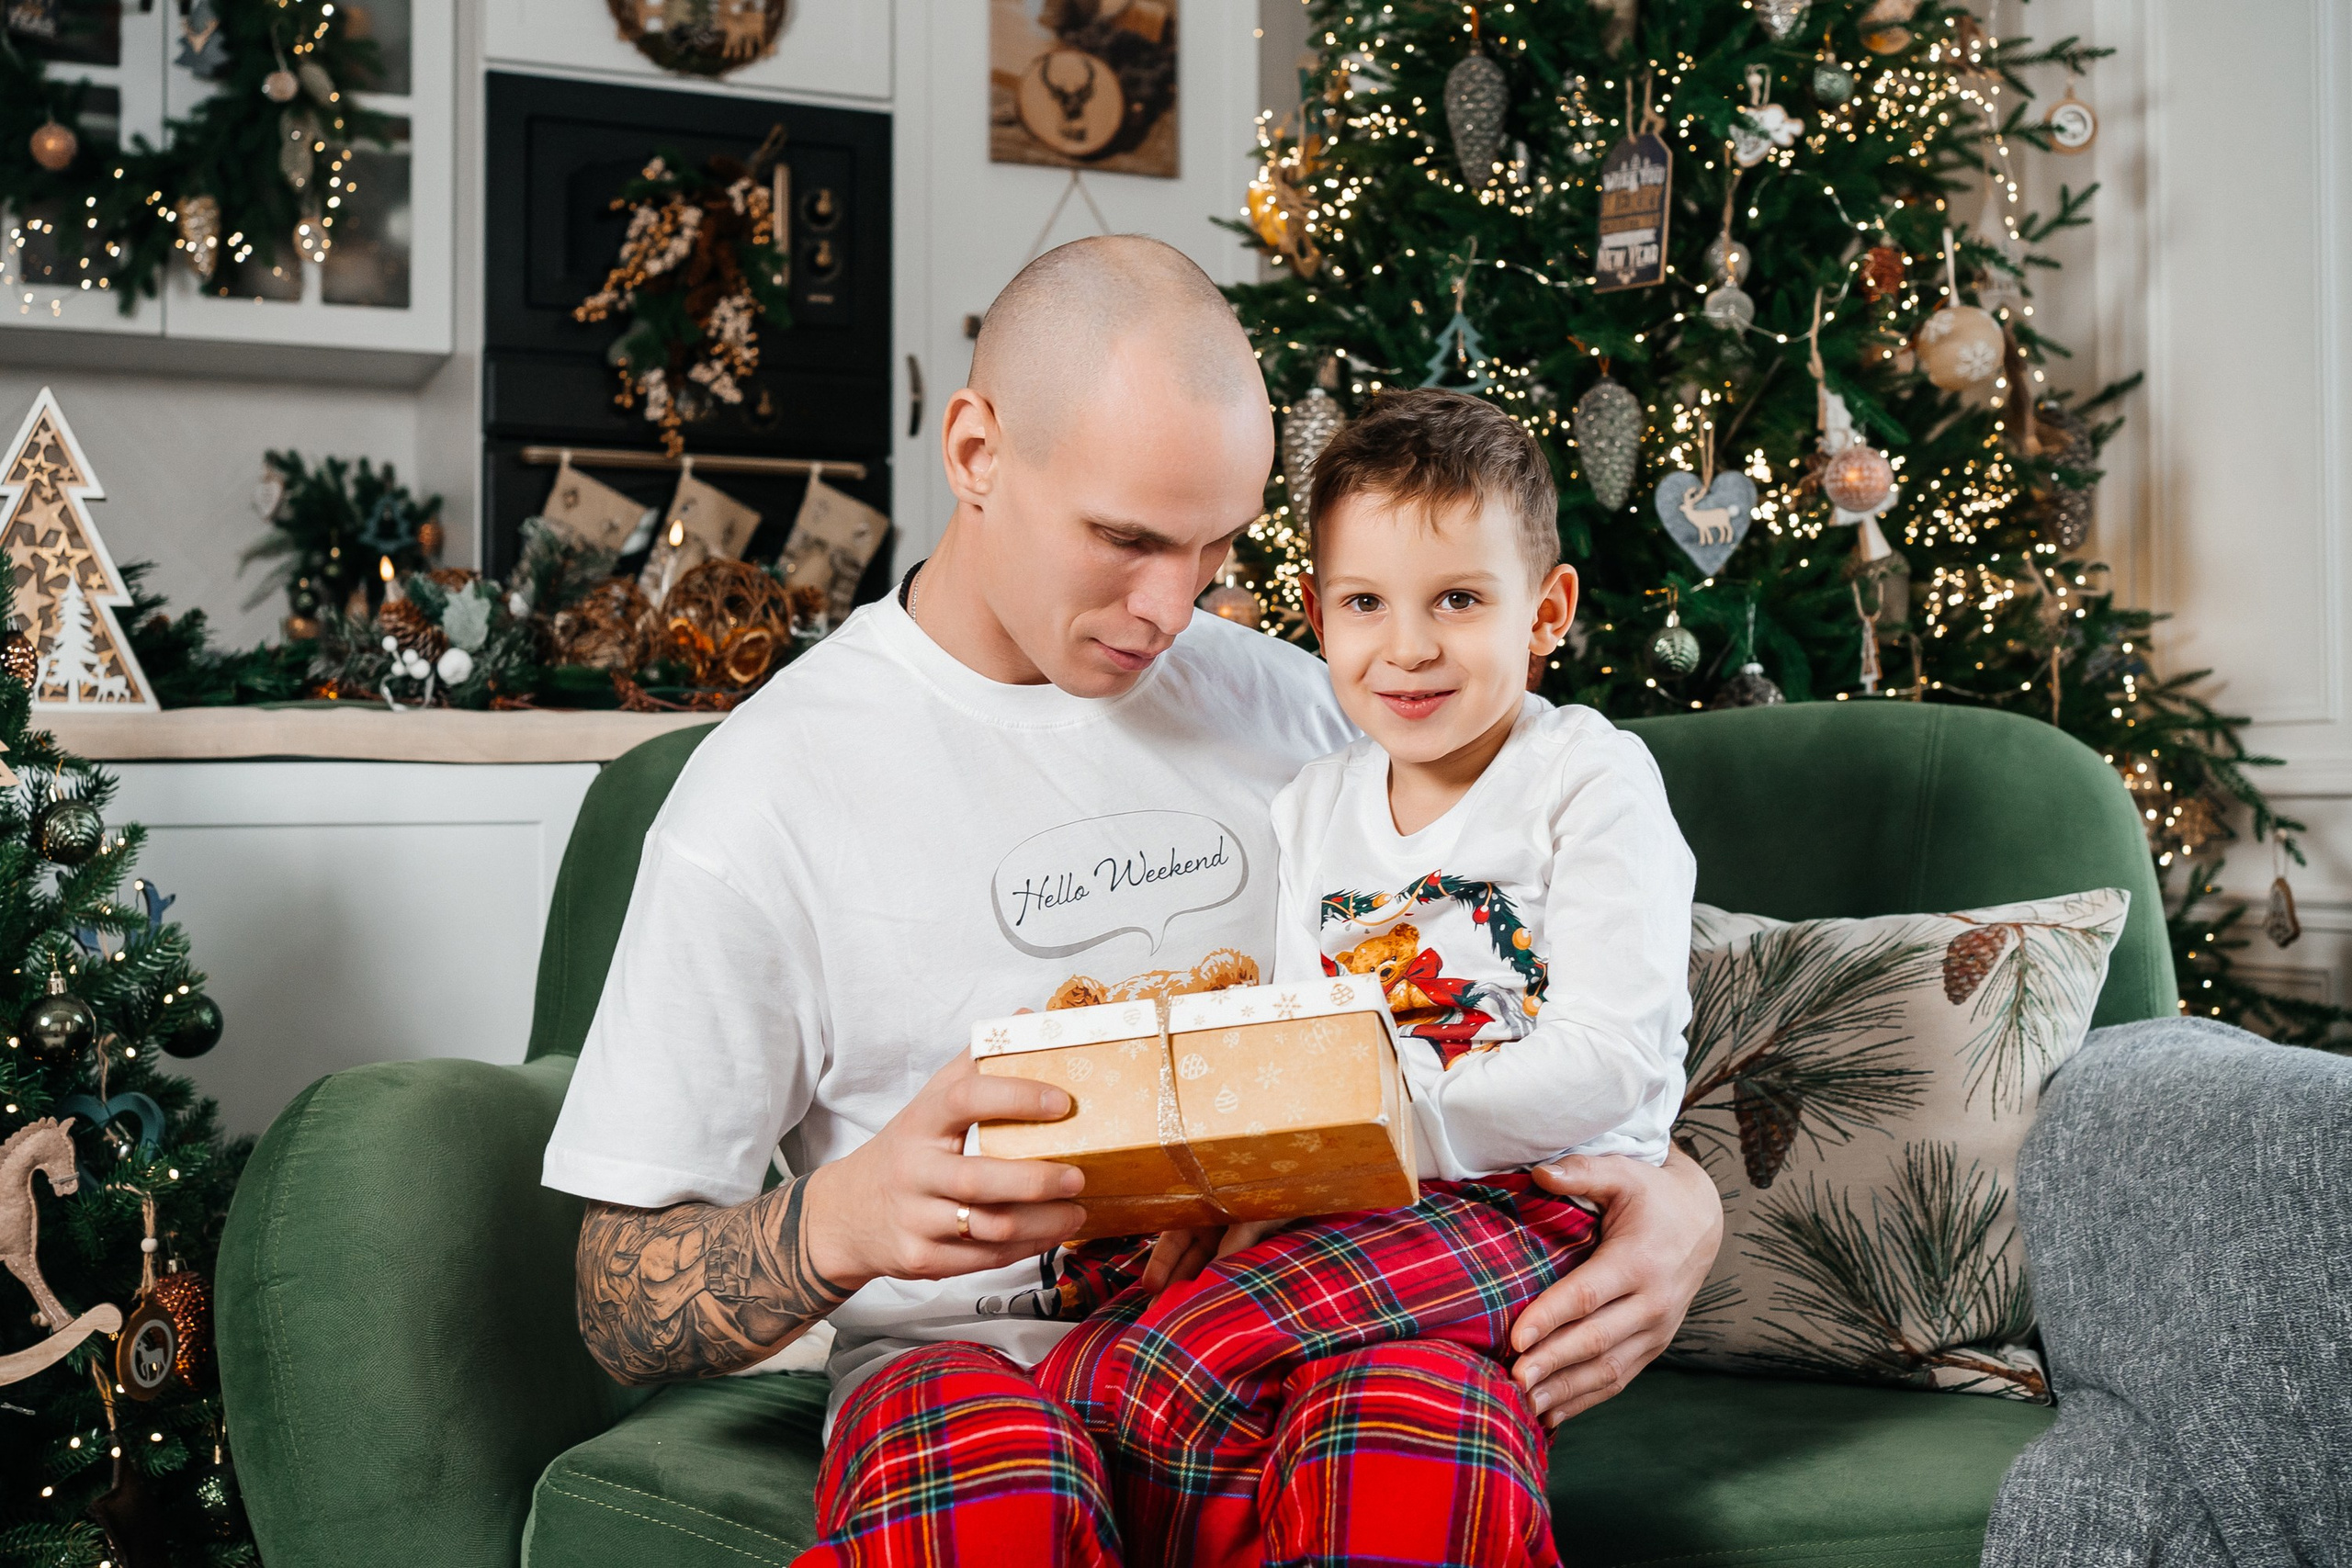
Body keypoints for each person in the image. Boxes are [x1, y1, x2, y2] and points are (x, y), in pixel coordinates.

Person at [541, 235, 1724, 1566]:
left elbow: (1547, 994)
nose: (1172, 606)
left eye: (1216, 547)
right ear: (977, 453)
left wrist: (1679, 1197)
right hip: (964, 1366)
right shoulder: (763, 792)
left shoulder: (1326, 711)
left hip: (1332, 1329)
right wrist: (841, 1220)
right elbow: (618, 1302)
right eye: (1125, 539)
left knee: (1414, 1448)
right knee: (987, 1509)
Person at [1023, 389, 1695, 1568]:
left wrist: (1376, 1136)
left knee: (1170, 1364)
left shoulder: (1588, 779)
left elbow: (1611, 1062)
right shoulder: (1316, 804)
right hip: (1361, 1197)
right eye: (1366, 603)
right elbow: (1304, 1039)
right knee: (1101, 1359)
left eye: (1459, 601)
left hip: (1530, 1198)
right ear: (1316, 614)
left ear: (1546, 611)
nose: (1410, 647)